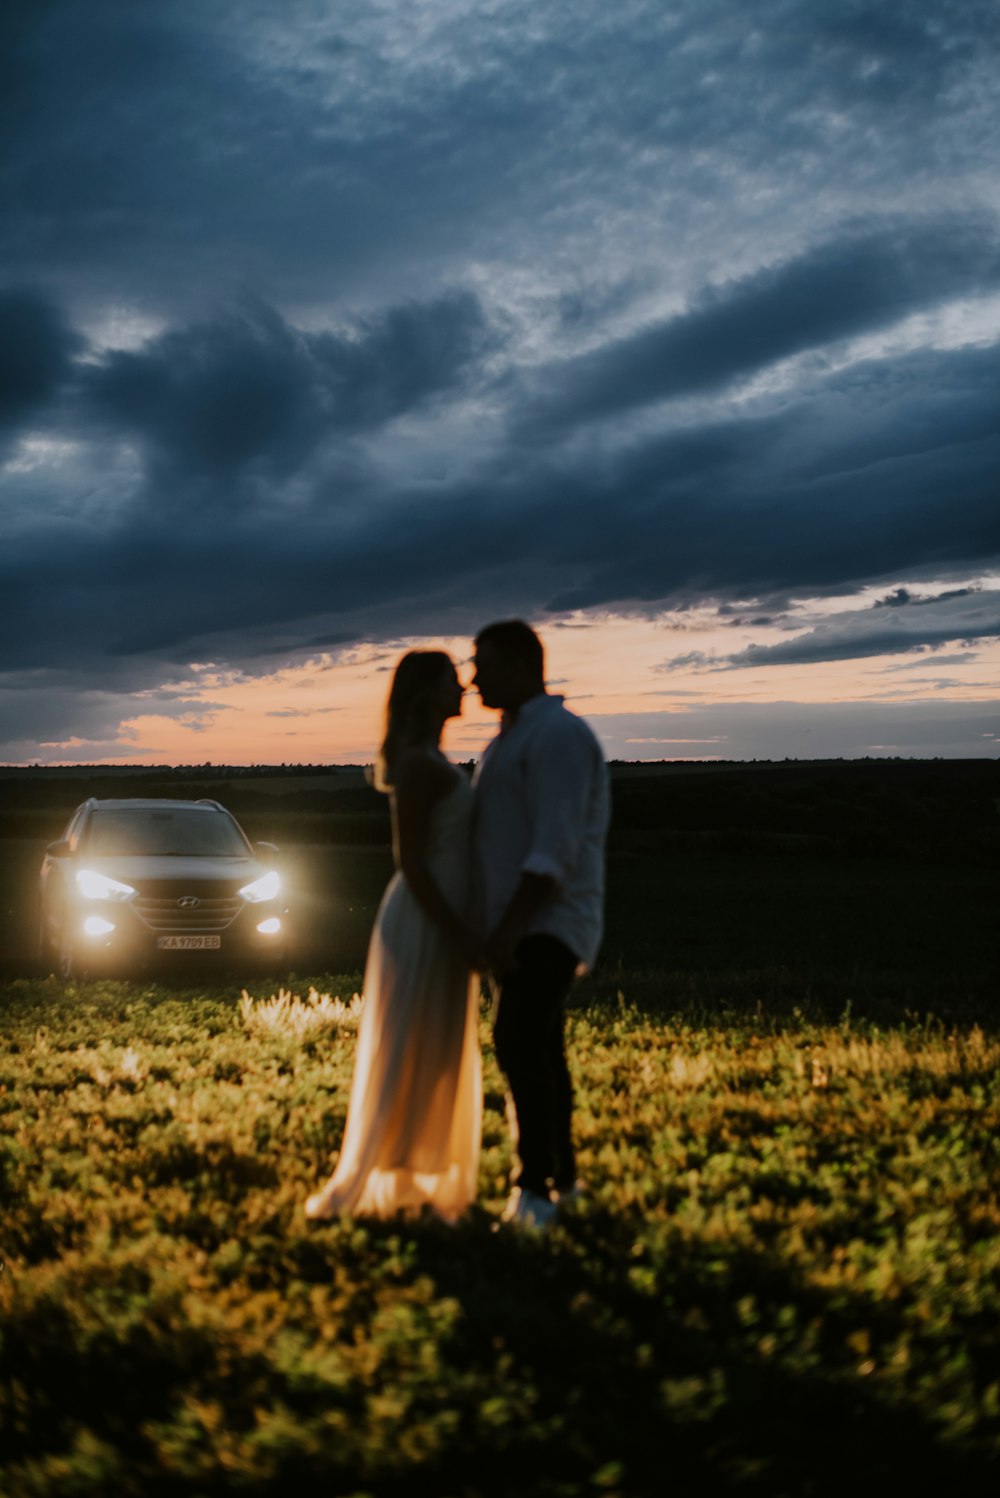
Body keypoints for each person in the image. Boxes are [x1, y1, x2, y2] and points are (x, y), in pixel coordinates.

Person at [305, 651, 482, 1222]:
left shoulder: (431, 757)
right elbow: (411, 860)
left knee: (438, 1043)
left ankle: (419, 1176)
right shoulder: (415, 763)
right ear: (428, 692)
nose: (464, 688)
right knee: (414, 1039)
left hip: (445, 913)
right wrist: (456, 930)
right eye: (452, 681)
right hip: (425, 918)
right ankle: (397, 1173)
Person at [472, 620, 609, 1229]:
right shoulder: (509, 739)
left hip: (547, 921)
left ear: (523, 666)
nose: (475, 676)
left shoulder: (557, 737)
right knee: (541, 1051)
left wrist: (507, 932)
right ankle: (565, 1183)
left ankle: (532, 1190)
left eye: (485, 663)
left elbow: (553, 850)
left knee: (519, 1044)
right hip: (522, 920)